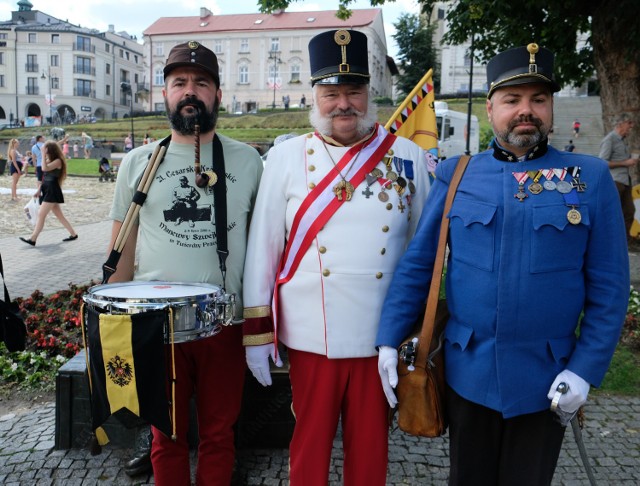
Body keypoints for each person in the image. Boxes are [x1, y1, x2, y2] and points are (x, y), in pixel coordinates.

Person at [376, 43, 629, 485]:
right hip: (468, 373)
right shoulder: (456, 174)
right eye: (512, 100)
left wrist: (585, 370)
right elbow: (420, 264)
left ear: (551, 108)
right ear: (490, 109)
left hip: (547, 377)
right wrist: (388, 339)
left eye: (538, 100)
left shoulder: (589, 178)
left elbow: (609, 287)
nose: (525, 111)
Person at [242, 29, 431, 485]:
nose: (343, 104)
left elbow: (424, 251)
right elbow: (262, 251)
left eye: (354, 92)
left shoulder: (407, 157)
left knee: (370, 449)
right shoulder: (285, 158)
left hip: (380, 337)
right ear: (314, 96)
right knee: (309, 442)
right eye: (331, 93)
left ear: (371, 94)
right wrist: (256, 334)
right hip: (312, 335)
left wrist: (418, 334)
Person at [107, 40, 263, 484]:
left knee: (219, 432)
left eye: (201, 82)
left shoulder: (249, 161)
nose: (189, 91)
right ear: (165, 94)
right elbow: (122, 246)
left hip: (225, 323)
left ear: (218, 94)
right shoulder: (138, 162)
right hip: (160, 326)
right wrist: (112, 322)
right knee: (166, 435)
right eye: (179, 83)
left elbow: (268, 244)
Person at [19, 141, 78, 246]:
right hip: (47, 189)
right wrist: (39, 189)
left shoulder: (58, 161)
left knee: (41, 214)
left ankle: (33, 239)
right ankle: (73, 234)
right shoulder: (49, 160)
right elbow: (44, 176)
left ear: (50, 149)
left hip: (52, 190)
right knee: (60, 216)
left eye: (44, 148)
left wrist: (42, 154)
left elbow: (44, 169)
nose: (42, 149)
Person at [599, 112, 637, 246]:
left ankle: (626, 243)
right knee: (613, 213)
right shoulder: (610, 139)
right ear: (620, 124)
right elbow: (602, 162)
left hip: (625, 181)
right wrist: (625, 163)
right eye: (629, 125)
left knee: (629, 212)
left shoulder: (623, 140)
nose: (630, 128)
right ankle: (609, 243)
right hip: (615, 181)